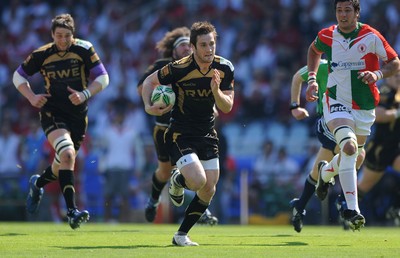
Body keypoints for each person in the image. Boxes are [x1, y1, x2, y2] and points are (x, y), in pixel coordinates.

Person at [305, 0, 400, 231]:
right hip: (335, 100)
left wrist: (377, 74)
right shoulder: (327, 35)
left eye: (348, 10)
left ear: (357, 12)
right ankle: (353, 209)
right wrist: (311, 79)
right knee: (348, 147)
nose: (342, 15)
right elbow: (313, 50)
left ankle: (326, 172)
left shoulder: (371, 36)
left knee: (356, 156)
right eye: (339, 10)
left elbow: (395, 63)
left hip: (364, 107)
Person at [12, 13, 109, 229]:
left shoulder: (84, 49)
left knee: (63, 161)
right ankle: (72, 212)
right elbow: (18, 76)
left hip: (78, 116)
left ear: (73, 35)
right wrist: (31, 97)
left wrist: (84, 94)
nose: (63, 40)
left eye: (67, 36)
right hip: (52, 112)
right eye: (59, 36)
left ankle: (37, 183)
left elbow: (103, 77)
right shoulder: (43, 54)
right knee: (67, 153)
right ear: (52, 35)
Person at [142, 21, 234, 246]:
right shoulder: (179, 68)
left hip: (208, 133)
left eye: (212, 43)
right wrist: (148, 106)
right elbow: (148, 82)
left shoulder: (225, 68)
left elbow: (227, 106)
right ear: (193, 47)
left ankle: (180, 235)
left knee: (209, 188)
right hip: (180, 133)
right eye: (203, 45)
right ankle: (177, 179)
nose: (209, 49)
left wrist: (216, 91)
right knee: (197, 181)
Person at [137, 26, 218, 225]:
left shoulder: (200, 67)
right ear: (173, 51)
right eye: (181, 46)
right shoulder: (164, 66)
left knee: (195, 169)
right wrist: (156, 100)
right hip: (164, 128)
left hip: (190, 129)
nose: (185, 49)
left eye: (187, 46)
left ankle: (202, 210)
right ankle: (154, 200)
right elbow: (142, 85)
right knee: (165, 172)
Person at [289, 59, 365, 232]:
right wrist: (295, 106)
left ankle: (299, 207)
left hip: (347, 121)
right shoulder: (322, 66)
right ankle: (345, 201)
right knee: (356, 154)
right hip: (327, 120)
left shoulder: (355, 66)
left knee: (317, 171)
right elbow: (296, 78)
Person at [336, 73, 400, 224]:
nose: (398, 78)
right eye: (396, 75)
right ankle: (346, 207)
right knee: (364, 187)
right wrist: (397, 113)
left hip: (396, 148)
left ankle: (396, 207)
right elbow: (377, 115)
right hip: (379, 149)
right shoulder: (384, 91)